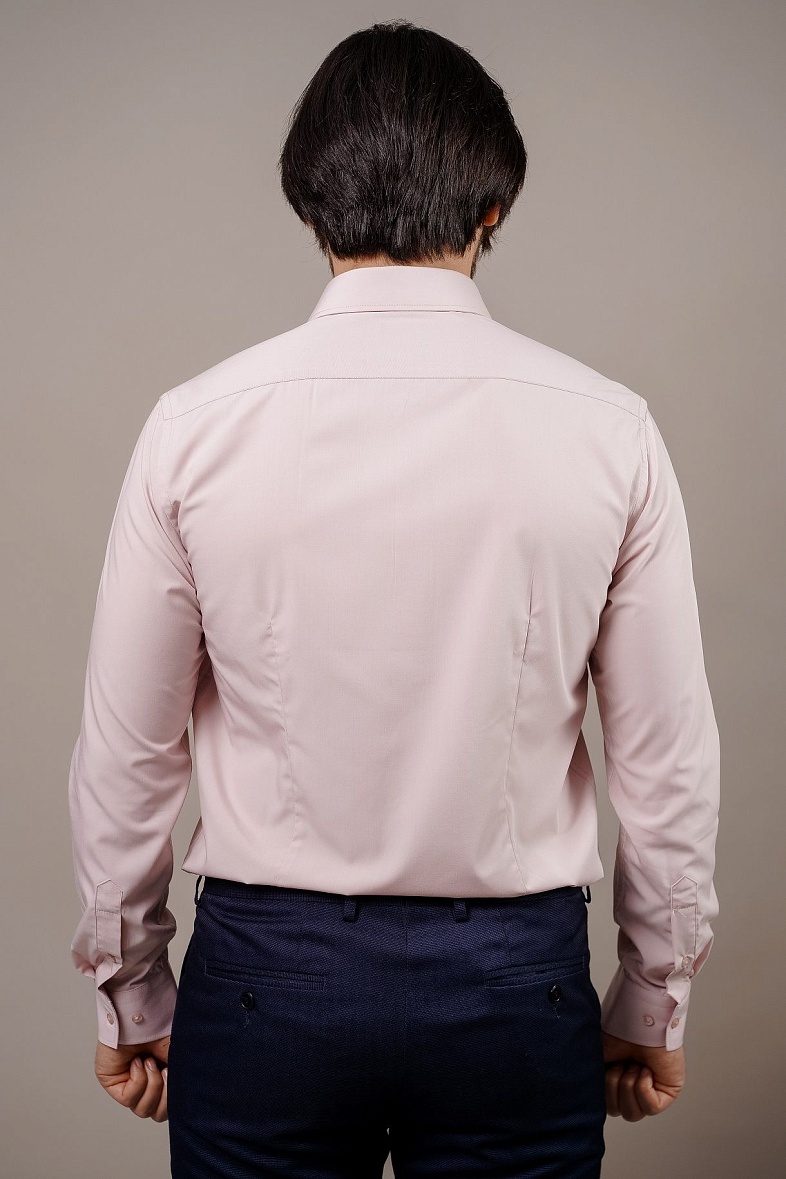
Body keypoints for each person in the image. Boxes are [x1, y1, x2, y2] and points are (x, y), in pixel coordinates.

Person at [68, 18, 720, 1177]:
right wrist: (653, 994)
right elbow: (665, 759)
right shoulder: (608, 430)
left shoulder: (195, 428)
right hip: (514, 988)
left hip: (267, 984)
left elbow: (129, 753)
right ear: (493, 210)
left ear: (310, 212)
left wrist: (132, 991)